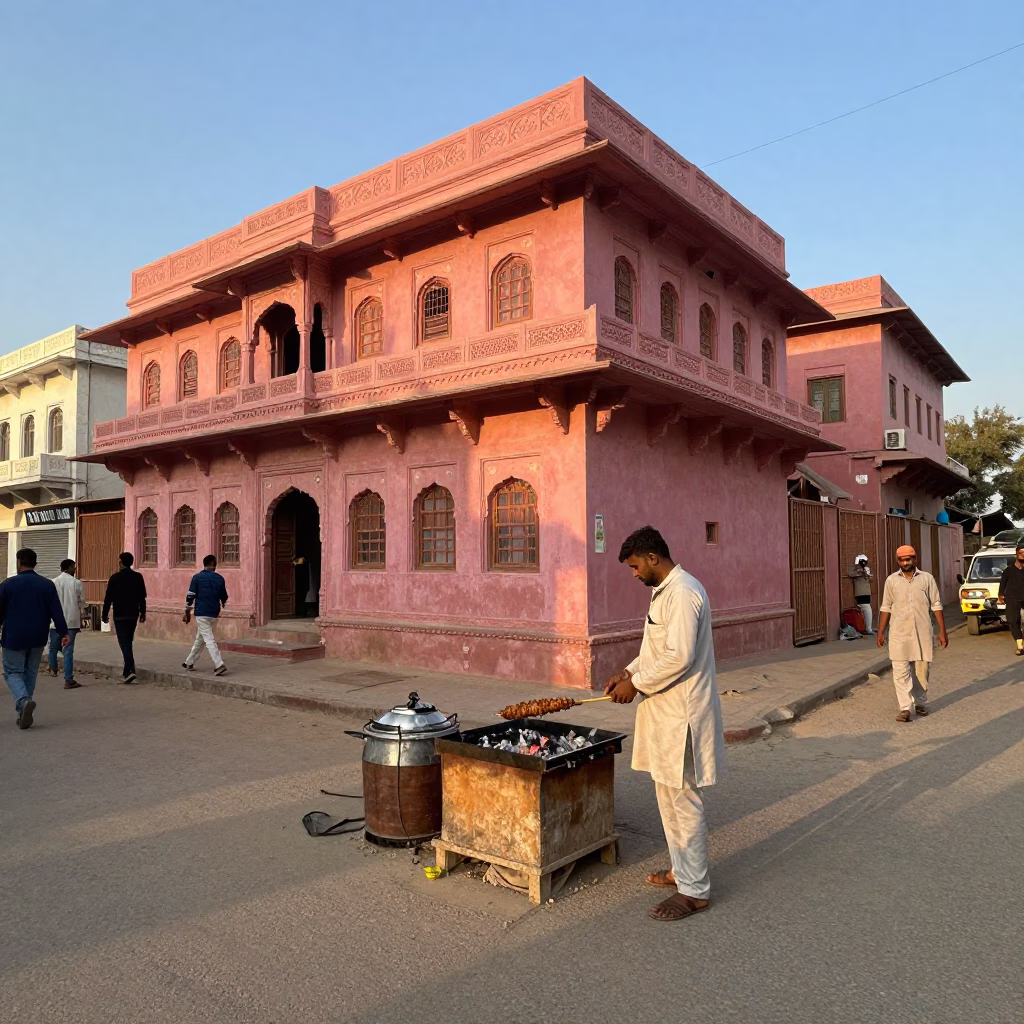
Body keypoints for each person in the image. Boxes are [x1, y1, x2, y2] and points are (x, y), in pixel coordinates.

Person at [604, 526, 726, 922]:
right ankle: (681, 870)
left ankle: (695, 891)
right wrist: (627, 671)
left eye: (636, 566)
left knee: (683, 800)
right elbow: (656, 649)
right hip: (663, 712)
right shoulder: (664, 591)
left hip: (683, 716)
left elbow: (680, 657)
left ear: (653, 558)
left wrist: (635, 685)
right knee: (667, 797)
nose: (634, 574)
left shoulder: (685, 592)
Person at [876, 544, 948, 722]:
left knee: (922, 670)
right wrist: (881, 631)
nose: (905, 562)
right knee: (900, 670)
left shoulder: (927, 579)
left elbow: (936, 605)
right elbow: (886, 606)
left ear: (915, 559)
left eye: (908, 559)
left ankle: (921, 702)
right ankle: (905, 708)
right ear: (897, 560)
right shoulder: (891, 580)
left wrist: (942, 631)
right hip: (899, 631)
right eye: (901, 559)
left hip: (923, 631)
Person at [0, 548, 70, 729]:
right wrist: (64, 633)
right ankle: (23, 708)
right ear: (35, 563)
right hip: (38, 636)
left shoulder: (8, 584)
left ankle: (23, 701)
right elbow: (56, 610)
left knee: (13, 672)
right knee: (30, 672)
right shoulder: (46, 585)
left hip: (14, 637)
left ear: (18, 562)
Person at [102, 552, 147, 683]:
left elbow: (108, 598)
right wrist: (143, 613)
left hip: (120, 615)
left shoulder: (114, 578)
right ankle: (127, 671)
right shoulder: (138, 577)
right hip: (133, 614)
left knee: (124, 643)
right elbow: (142, 597)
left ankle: (130, 671)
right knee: (128, 641)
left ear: (121, 562)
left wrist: (104, 615)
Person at [182, 554, 229, 676]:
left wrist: (187, 611)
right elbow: (224, 596)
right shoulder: (219, 578)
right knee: (201, 638)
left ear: (204, 564)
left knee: (208, 639)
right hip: (214, 612)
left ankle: (219, 664)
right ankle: (189, 661)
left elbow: (190, 596)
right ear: (215, 565)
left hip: (201, 612)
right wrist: (223, 603)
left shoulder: (197, 578)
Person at [49, 558, 85, 689]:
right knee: (68, 651)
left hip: (55, 622)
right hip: (71, 622)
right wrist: (83, 611)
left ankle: (53, 668)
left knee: (53, 647)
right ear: (69, 568)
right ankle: (68, 679)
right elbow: (81, 601)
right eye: (74, 567)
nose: (75, 569)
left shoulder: (53, 582)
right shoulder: (76, 583)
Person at [997, 544, 1024, 656]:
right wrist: (1001, 596)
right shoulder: (1009, 570)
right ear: (1017, 554)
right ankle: (1020, 646)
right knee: (1013, 621)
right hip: (1012, 598)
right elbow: (1003, 583)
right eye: (1021, 553)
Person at [847, 554, 874, 633]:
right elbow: (850, 573)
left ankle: (866, 628)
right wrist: (858, 572)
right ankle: (868, 629)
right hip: (860, 593)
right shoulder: (855, 569)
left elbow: (869, 577)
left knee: (866, 610)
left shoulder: (866, 568)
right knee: (867, 609)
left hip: (866, 592)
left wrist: (866, 573)